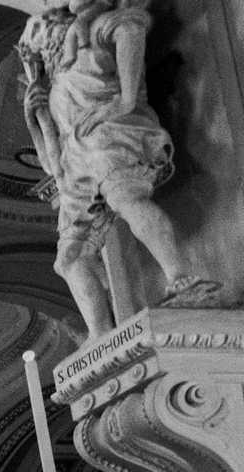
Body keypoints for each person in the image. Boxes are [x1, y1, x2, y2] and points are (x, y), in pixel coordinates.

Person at [18, 0, 227, 335]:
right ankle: (100, 334)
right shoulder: (55, 88)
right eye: (36, 46)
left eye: (41, 38)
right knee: (69, 257)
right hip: (74, 162)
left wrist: (122, 103)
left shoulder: (100, 30)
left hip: (111, 136)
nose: (41, 49)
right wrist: (36, 120)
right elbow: (52, 167)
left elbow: (130, 34)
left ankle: (183, 279)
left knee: (126, 200)